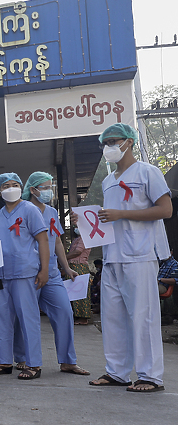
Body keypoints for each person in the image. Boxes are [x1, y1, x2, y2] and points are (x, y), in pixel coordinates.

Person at [76, 123, 172, 392]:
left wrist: (122, 214)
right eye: (105, 143)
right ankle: (116, 372)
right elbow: (110, 218)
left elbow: (165, 210)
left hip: (140, 253)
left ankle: (150, 376)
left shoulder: (148, 172)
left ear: (129, 141)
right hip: (112, 255)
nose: (109, 148)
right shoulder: (108, 180)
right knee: (113, 316)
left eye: (114, 141)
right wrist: (88, 219)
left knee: (143, 315)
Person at [21, 172, 89, 376]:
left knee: (64, 313)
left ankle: (68, 361)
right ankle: (26, 360)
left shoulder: (51, 211)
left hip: (52, 273)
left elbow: (57, 240)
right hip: (30, 273)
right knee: (27, 318)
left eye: (50, 186)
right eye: (44, 187)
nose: (48, 191)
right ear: (33, 190)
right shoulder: (22, 210)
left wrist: (66, 267)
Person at [0, 173, 49, 380]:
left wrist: (44, 270)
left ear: (21, 188)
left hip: (24, 272)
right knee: (1, 319)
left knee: (28, 319)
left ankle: (33, 364)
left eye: (15, 185)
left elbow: (43, 240)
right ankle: (4, 362)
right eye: (6, 185)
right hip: (1, 274)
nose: (11, 188)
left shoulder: (29, 210)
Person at [66, 228, 93, 324]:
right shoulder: (77, 239)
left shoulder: (84, 238)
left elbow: (78, 252)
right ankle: (76, 315)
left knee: (79, 291)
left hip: (79, 266)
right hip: (73, 266)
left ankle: (83, 316)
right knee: (73, 291)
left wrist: (63, 257)